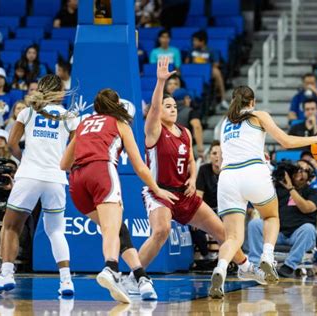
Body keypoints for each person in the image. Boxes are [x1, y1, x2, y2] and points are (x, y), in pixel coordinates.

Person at [134, 59, 258, 299]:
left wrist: (192, 180)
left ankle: (245, 267)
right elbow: (155, 110)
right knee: (161, 230)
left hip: (184, 192)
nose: (172, 108)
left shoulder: (185, 132)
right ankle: (134, 277)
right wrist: (161, 82)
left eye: (174, 106)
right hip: (160, 191)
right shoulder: (154, 130)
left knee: (223, 233)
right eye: (166, 106)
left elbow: (191, 161)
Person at [208, 85, 317, 298]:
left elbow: (238, 147)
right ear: (252, 102)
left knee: (233, 237)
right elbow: (286, 141)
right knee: (271, 215)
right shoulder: (258, 114)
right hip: (252, 172)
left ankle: (220, 269)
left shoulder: (225, 122)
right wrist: (316, 139)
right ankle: (267, 257)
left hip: (228, 177)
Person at [61, 86, 177, 303]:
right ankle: (111, 268)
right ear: (117, 105)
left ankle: (141, 278)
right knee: (111, 229)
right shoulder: (120, 124)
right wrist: (157, 188)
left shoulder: (84, 124)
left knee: (118, 229)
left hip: (76, 182)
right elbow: (140, 167)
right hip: (101, 172)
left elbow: (63, 164)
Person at [0, 75, 76, 297]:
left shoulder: (27, 112)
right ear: (59, 92)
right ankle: (66, 281)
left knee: (10, 226)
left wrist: (24, 158)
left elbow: (11, 143)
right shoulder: (71, 117)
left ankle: (6, 274)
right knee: (55, 231)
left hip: (29, 175)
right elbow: (74, 152)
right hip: (55, 177)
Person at [247, 160, 317, 278]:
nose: (299, 172)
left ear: (310, 176)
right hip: (278, 233)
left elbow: (306, 208)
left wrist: (291, 189)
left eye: (304, 170)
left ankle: (289, 266)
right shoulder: (279, 190)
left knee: (309, 229)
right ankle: (255, 264)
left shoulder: (313, 192)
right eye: (297, 168)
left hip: (297, 236)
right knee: (255, 224)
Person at [185, 30, 228, 109]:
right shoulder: (191, 50)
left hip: (205, 71)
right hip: (194, 71)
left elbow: (216, 64)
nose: (193, 42)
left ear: (202, 41)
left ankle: (223, 99)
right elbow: (186, 63)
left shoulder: (211, 51)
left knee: (217, 72)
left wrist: (204, 66)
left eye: (195, 40)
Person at [193, 140, 221, 260]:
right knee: (193, 226)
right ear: (210, 156)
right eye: (214, 153)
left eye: (221, 153)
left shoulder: (230, 171)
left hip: (224, 212)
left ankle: (225, 256)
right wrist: (195, 215)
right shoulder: (204, 170)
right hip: (207, 211)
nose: (218, 157)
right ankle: (206, 256)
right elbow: (198, 196)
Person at [173, 88, 204, 158]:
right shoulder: (191, 112)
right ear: (183, 100)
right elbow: (197, 126)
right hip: (185, 150)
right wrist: (200, 149)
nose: (190, 100)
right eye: (187, 98)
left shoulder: (168, 113)